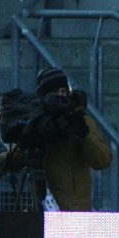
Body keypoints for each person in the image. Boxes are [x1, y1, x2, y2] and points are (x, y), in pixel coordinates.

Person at [33, 67, 112, 211]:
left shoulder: (81, 119)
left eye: (63, 92)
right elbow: (20, 151)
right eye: (54, 94)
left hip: (75, 212)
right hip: (42, 209)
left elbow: (102, 160)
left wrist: (83, 133)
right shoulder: (36, 121)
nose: (60, 98)